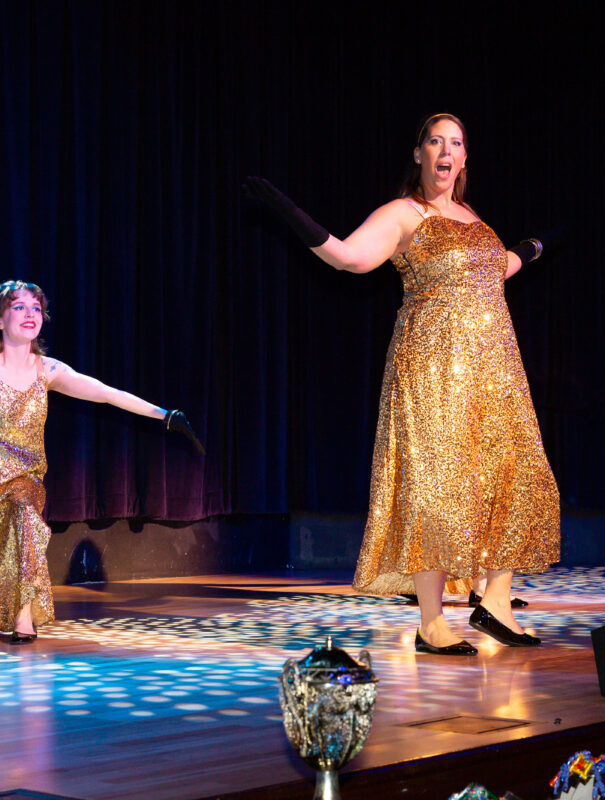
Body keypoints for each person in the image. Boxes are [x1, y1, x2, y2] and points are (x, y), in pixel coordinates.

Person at [243, 112, 560, 655]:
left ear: (464, 158)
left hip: (496, 370)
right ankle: (431, 622)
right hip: (432, 371)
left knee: (523, 479)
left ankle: (497, 603)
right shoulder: (404, 213)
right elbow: (349, 258)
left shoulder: (473, 217)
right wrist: (286, 210)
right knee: (435, 490)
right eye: (434, 141)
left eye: (455, 143)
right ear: (419, 154)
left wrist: (533, 248)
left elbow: (496, 266)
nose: (444, 150)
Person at [0, 280, 203, 644]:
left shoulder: (48, 371)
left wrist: (164, 415)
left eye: (35, 307)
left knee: (25, 518)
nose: (29, 314)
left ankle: (23, 617)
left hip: (24, 478)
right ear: (1, 320)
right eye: (18, 307)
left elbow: (107, 394)